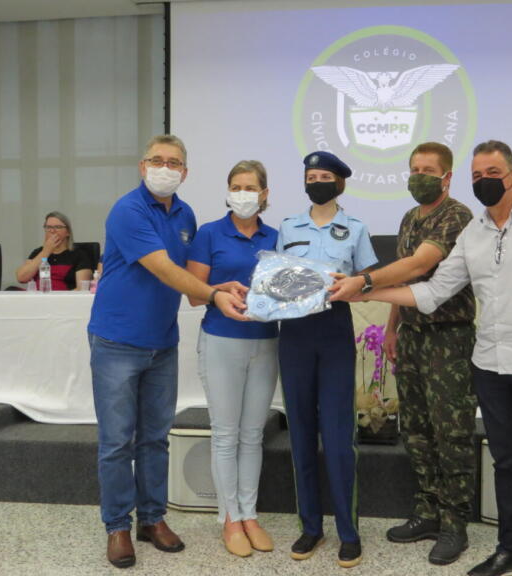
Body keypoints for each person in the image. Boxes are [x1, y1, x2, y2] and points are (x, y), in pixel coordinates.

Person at [353, 140, 512, 576]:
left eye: (492, 173)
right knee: (505, 464)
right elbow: (432, 294)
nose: (484, 181)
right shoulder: (474, 233)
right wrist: (363, 290)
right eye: (477, 176)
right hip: (490, 364)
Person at [87, 134, 248, 569]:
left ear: (185, 172)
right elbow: (163, 268)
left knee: (156, 439)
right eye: (157, 160)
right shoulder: (128, 210)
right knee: (118, 441)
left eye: (173, 162)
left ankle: (152, 518)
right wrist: (214, 295)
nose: (165, 167)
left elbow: (193, 280)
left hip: (162, 342)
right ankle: (118, 525)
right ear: (143, 167)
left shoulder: (186, 214)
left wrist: (219, 288)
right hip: (117, 341)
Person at [329, 142, 477, 565]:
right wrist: (392, 327)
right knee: (416, 428)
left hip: (447, 336)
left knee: (451, 432)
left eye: (428, 169)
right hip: (412, 334)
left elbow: (417, 266)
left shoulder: (457, 216)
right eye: (414, 168)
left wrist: (361, 282)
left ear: (447, 177)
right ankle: (428, 510)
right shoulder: (410, 216)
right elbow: (405, 283)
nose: (418, 176)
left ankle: (455, 523)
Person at [277, 151, 377, 569]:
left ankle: (349, 533)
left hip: (334, 332)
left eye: (325, 176)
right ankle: (311, 527)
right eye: (311, 176)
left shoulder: (355, 229)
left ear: (340, 183)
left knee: (338, 439)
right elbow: (276, 278)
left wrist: (350, 286)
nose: (316, 181)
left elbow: (368, 284)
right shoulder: (287, 227)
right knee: (299, 432)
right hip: (295, 334)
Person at [186, 160, 278, 558]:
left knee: (253, 434)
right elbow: (193, 293)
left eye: (250, 188)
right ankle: (229, 518)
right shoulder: (209, 234)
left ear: (264, 195)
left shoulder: (277, 236)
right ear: (228, 192)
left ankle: (249, 513)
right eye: (236, 187)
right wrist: (218, 287)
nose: (243, 194)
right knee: (225, 434)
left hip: (266, 341)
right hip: (222, 340)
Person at [15, 211, 93, 290]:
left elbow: (82, 288)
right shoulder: (38, 252)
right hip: (38, 298)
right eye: (48, 227)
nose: (52, 231)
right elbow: (21, 278)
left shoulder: (79, 255)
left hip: (64, 299)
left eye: (57, 227)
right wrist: (46, 252)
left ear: (68, 232)